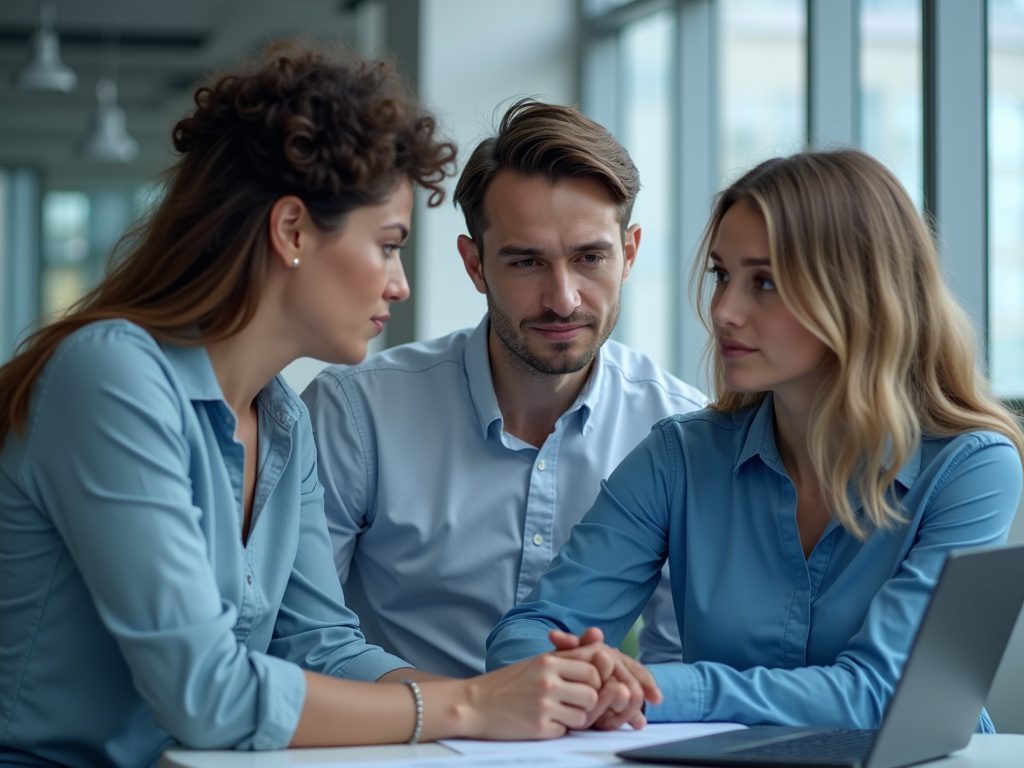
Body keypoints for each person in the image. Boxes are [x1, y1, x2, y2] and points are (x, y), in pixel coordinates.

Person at [0, 44, 639, 768]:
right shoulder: (113, 376)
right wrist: (473, 706)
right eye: (388, 245)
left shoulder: (282, 419)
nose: (399, 286)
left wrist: (532, 700)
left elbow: (320, 646)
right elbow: (204, 695)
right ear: (293, 231)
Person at [485, 149, 1024, 731]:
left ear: (858, 295)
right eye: (723, 275)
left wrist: (647, 688)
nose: (723, 311)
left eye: (763, 282)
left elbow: (886, 693)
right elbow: (531, 632)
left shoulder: (970, 466)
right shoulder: (679, 458)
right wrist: (570, 676)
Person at [301, 99, 706, 684]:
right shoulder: (356, 414)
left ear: (631, 253)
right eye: (525, 262)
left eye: (590, 257)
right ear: (475, 264)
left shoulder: (683, 429)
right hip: (397, 745)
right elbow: (307, 637)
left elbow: (682, 661)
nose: (563, 298)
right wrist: (478, 713)